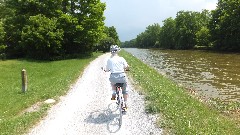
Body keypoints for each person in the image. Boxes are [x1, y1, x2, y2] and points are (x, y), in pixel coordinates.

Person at [103, 45, 129, 111]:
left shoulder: (109, 60)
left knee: (112, 83)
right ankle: (125, 105)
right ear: (117, 51)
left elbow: (107, 69)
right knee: (124, 91)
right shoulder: (122, 58)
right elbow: (126, 66)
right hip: (122, 76)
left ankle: (114, 93)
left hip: (113, 77)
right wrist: (126, 68)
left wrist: (105, 70)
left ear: (111, 52)